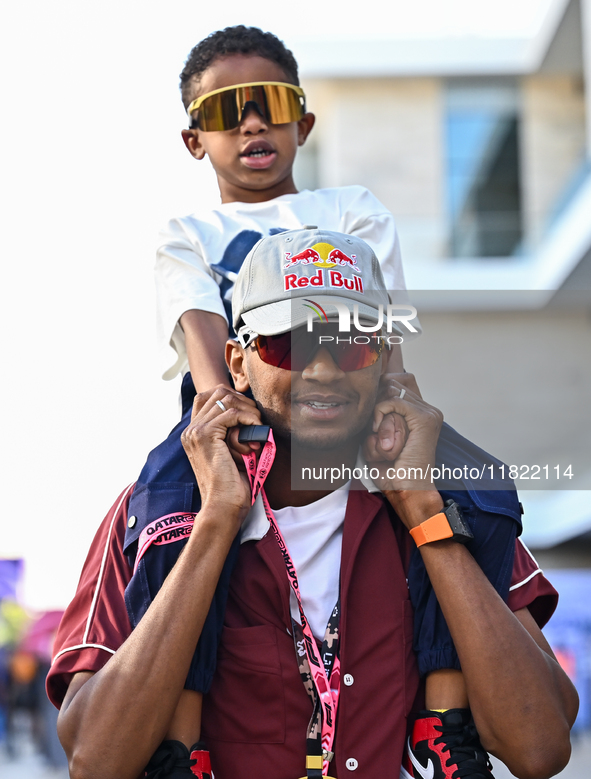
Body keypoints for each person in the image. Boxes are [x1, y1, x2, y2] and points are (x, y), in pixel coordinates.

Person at [48, 229, 578, 779]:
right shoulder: (153, 511)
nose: (323, 370)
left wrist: (423, 515)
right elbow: (96, 761)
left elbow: (538, 747)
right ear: (237, 362)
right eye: (290, 343)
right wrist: (215, 523)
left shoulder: (448, 502)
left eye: (352, 343)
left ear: (383, 361)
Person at [125, 23, 415, 771]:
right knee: (168, 529)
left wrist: (385, 410)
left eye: (269, 103)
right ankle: (178, 737)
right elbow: (203, 338)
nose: (251, 121)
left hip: (347, 403)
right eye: (225, 111)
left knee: (470, 498)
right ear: (196, 141)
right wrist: (235, 427)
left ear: (301, 122)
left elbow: (381, 333)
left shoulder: (351, 209)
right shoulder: (187, 233)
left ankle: (444, 718)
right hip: (232, 419)